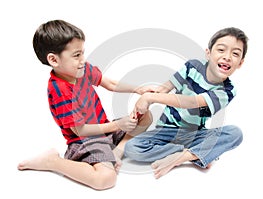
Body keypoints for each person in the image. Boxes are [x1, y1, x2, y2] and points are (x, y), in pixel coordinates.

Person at [17, 19, 153, 190]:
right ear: (53, 60)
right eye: (76, 55)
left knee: (146, 116)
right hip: (84, 141)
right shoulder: (60, 90)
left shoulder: (82, 69)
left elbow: (109, 83)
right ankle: (53, 161)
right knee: (106, 179)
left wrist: (138, 89)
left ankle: (117, 151)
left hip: (105, 130)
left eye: (82, 53)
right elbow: (80, 130)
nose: (82, 59)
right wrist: (118, 124)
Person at [125, 27, 248, 179]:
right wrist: (146, 95)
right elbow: (164, 88)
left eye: (235, 54)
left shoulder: (228, 90)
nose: (227, 57)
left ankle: (181, 157)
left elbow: (192, 102)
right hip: (166, 130)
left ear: (240, 63)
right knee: (132, 148)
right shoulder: (192, 67)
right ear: (208, 53)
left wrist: (151, 99)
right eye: (221, 50)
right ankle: (194, 153)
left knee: (235, 133)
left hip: (195, 134)